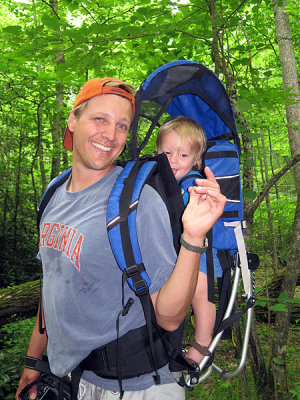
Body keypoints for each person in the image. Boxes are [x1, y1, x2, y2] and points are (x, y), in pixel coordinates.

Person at [16, 78, 226, 400]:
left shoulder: (138, 201)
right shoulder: (52, 196)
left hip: (135, 388)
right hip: (71, 379)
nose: (110, 135)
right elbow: (52, 284)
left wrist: (194, 235)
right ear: (73, 120)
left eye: (122, 126)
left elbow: (169, 318)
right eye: (100, 119)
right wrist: (33, 362)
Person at [156, 116, 223, 365]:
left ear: (195, 160)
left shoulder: (195, 185)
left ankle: (202, 343)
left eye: (183, 156)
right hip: (175, 252)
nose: (173, 160)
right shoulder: (157, 182)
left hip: (202, 251)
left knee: (201, 294)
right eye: (168, 152)